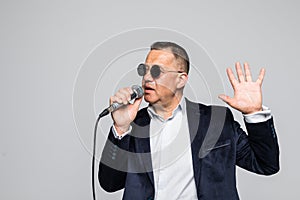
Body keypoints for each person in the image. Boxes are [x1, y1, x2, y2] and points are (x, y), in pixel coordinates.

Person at [98, 41, 280, 200]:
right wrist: (120, 129)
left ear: (181, 79)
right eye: (143, 70)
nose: (146, 77)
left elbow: (266, 165)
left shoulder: (217, 121)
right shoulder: (134, 125)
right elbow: (110, 183)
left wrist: (254, 113)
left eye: (156, 71)